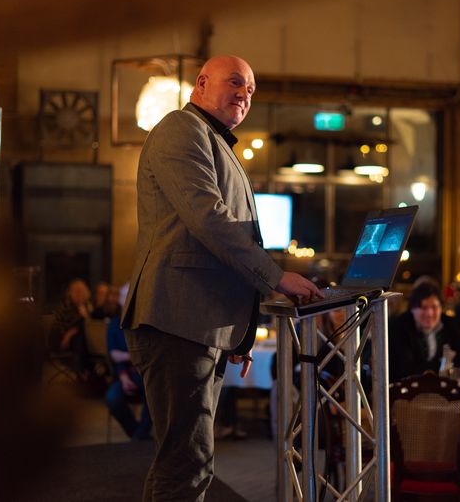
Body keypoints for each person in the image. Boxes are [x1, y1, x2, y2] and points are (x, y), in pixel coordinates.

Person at [121, 55, 323, 501]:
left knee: (189, 462)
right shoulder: (182, 128)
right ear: (201, 83)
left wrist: (237, 334)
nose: (244, 95)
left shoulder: (215, 141)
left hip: (197, 325)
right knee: (185, 466)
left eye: (251, 90)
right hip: (176, 322)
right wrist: (275, 278)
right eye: (235, 82)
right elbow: (209, 221)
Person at [387, 281, 460, 383]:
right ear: (412, 309)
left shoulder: (450, 324)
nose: (429, 313)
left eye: (434, 307)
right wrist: (440, 365)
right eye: (423, 307)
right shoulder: (399, 327)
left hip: (442, 390)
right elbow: (405, 370)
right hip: (406, 392)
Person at [106, 303, 152, 440]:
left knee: (155, 394)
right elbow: (113, 355)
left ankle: (139, 436)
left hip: (146, 375)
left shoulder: (146, 323)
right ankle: (138, 435)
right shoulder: (115, 325)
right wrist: (124, 377)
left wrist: (124, 356)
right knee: (112, 398)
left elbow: (149, 355)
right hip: (124, 376)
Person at [49, 278, 94, 377]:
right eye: (76, 291)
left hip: (82, 343)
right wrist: (69, 334)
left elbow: (91, 328)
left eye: (82, 291)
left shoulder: (89, 307)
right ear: (70, 293)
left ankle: (87, 372)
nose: (79, 294)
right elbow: (57, 330)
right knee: (79, 338)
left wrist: (86, 316)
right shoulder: (65, 308)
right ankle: (83, 371)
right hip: (62, 342)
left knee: (84, 338)